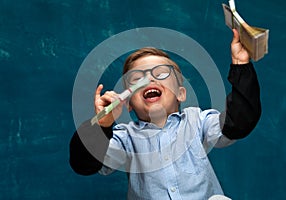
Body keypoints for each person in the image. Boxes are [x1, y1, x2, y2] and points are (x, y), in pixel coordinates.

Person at [69, 29, 261, 199]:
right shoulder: (124, 138)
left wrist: (240, 65)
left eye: (161, 73)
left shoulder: (197, 121)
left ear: (181, 93)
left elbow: (239, 121)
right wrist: (102, 124)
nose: (149, 79)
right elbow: (83, 164)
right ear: (127, 103)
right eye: (137, 78)